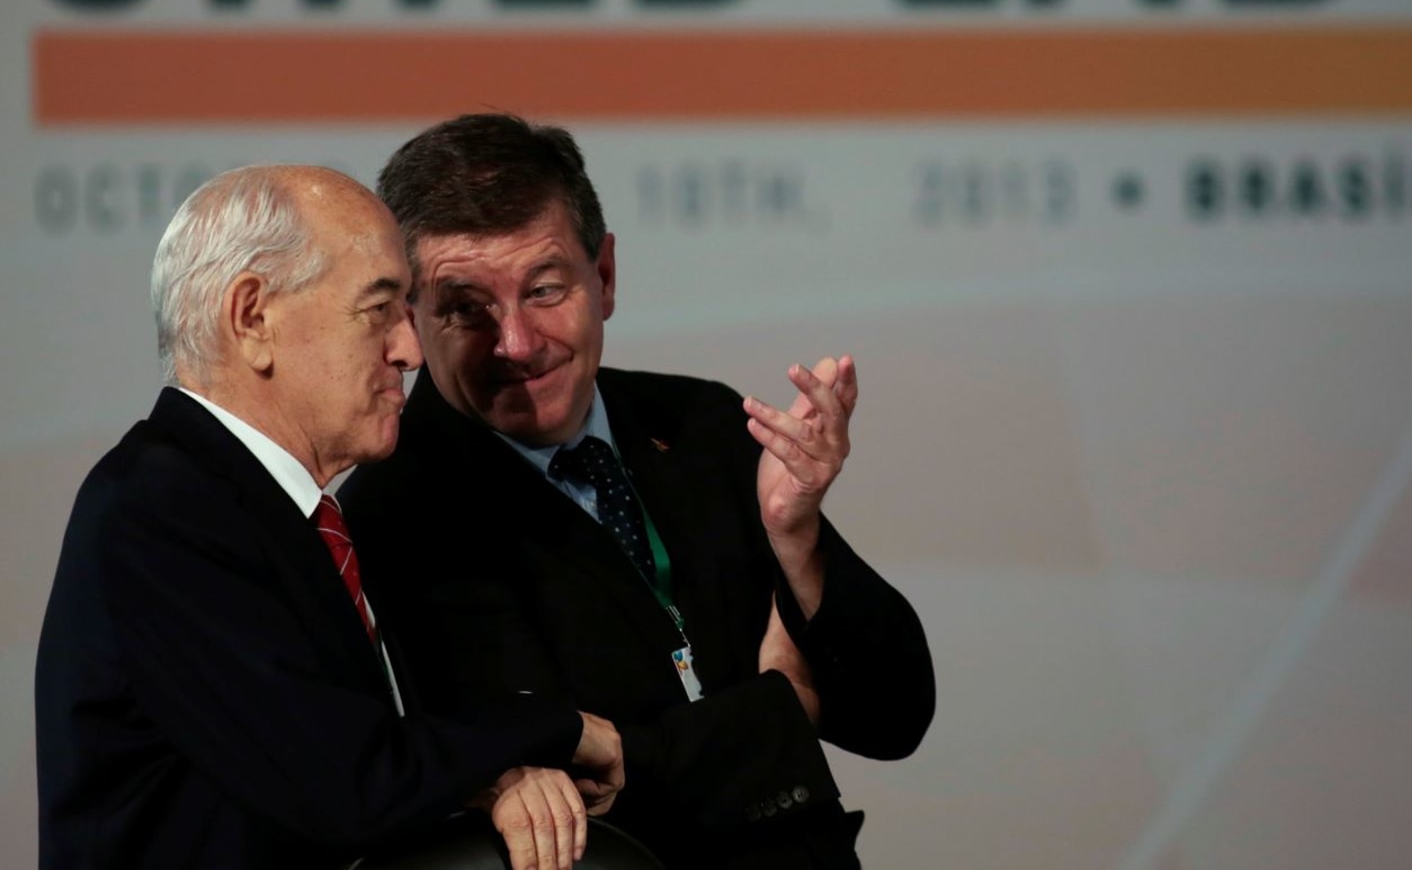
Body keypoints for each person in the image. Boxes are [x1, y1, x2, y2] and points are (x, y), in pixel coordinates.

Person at [340, 115, 935, 869]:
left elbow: (894, 715)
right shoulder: (392, 508)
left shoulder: (701, 423)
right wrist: (783, 705)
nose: (517, 343)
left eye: (545, 289)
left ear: (606, 277)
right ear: (409, 318)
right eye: (467, 308)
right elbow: (565, 776)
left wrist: (799, 544)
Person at [36, 166, 627, 870]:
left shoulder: (274, 509)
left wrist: (490, 778)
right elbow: (348, 783)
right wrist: (558, 729)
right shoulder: (159, 509)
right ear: (252, 317)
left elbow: (351, 756)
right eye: (378, 309)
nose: (408, 350)